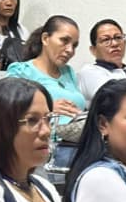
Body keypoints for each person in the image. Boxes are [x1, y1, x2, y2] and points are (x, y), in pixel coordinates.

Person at [6, 15, 86, 169]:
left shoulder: (69, 73)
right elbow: (7, 108)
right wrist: (46, 109)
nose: (70, 50)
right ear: (45, 38)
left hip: (78, 141)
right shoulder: (22, 71)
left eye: (75, 45)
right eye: (64, 41)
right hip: (49, 146)